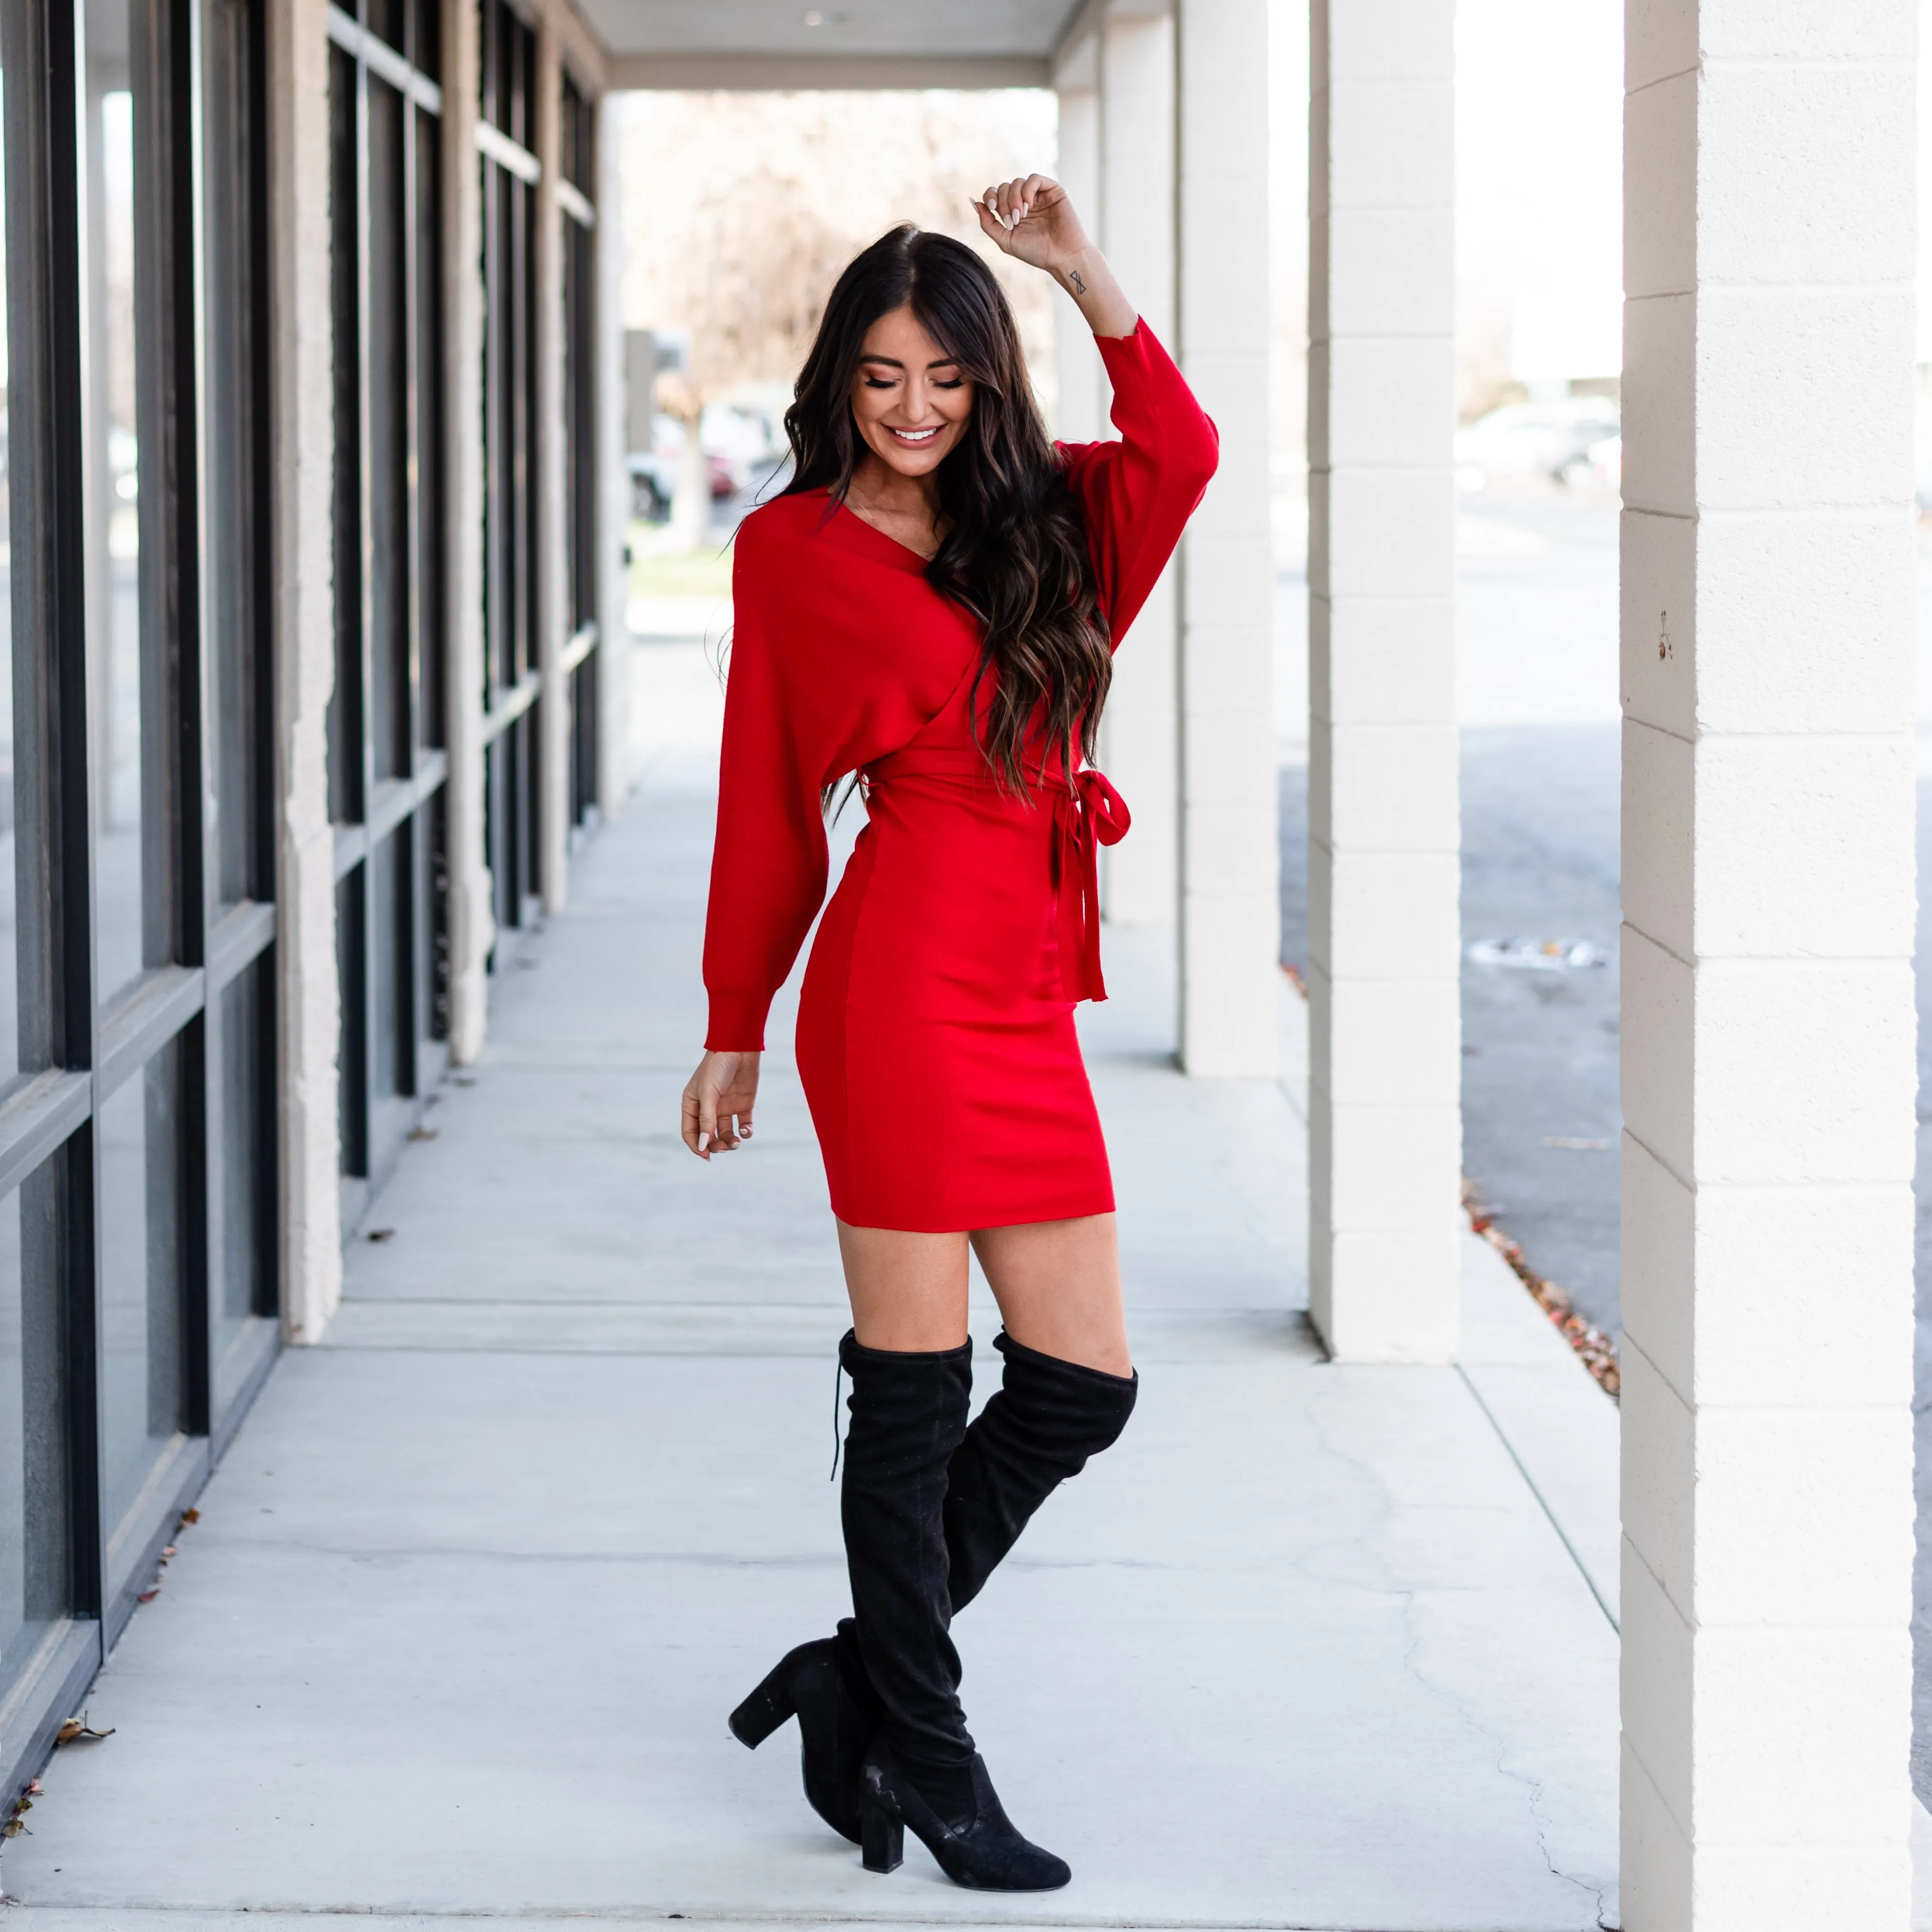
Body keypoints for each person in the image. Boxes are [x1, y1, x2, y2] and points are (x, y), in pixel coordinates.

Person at [680, 174, 1218, 1892]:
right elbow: (766, 806)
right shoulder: (789, 552)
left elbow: (1185, 450)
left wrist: (1076, 275)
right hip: (897, 993)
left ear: (988, 386)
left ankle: (851, 1682)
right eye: (881, 377)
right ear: (839, 379)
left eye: (946, 379)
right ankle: (932, 1740)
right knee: (912, 1396)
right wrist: (734, 1021)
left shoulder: (1046, 520)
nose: (912, 409)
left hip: (1023, 1002)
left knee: (1080, 1383)